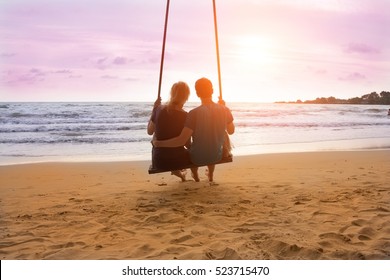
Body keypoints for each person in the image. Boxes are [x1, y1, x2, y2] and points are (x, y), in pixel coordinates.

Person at [153, 77, 235, 183]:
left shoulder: (193, 113)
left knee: (194, 147)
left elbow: (182, 140)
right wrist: (224, 108)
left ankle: (195, 175)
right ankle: (210, 174)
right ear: (212, 91)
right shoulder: (224, 110)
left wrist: (158, 143)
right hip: (217, 156)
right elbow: (231, 131)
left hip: (197, 158)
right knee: (213, 139)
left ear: (197, 94)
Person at [147, 81, 195, 181]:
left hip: (159, 161)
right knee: (190, 151)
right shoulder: (186, 116)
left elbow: (150, 131)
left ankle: (182, 176)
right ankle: (193, 176)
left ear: (172, 94)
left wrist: (154, 109)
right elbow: (186, 143)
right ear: (186, 97)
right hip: (178, 160)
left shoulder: (159, 109)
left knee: (157, 139)